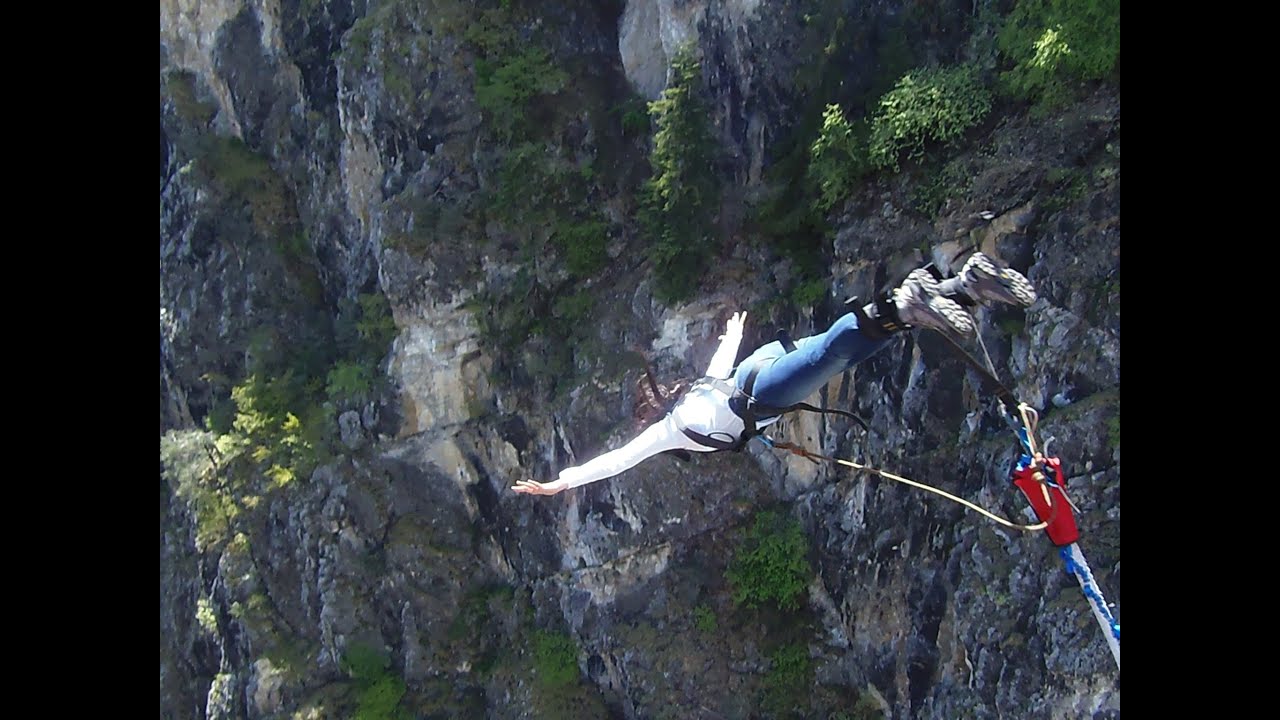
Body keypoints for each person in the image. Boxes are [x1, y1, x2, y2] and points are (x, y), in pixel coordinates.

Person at [512, 252, 1036, 496]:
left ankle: (904, 303)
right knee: (838, 351)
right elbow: (723, 358)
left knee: (833, 356)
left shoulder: (670, 432)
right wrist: (734, 331)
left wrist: (560, 484)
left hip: (759, 393)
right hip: (755, 363)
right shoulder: (694, 391)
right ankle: (962, 285)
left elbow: (617, 461)